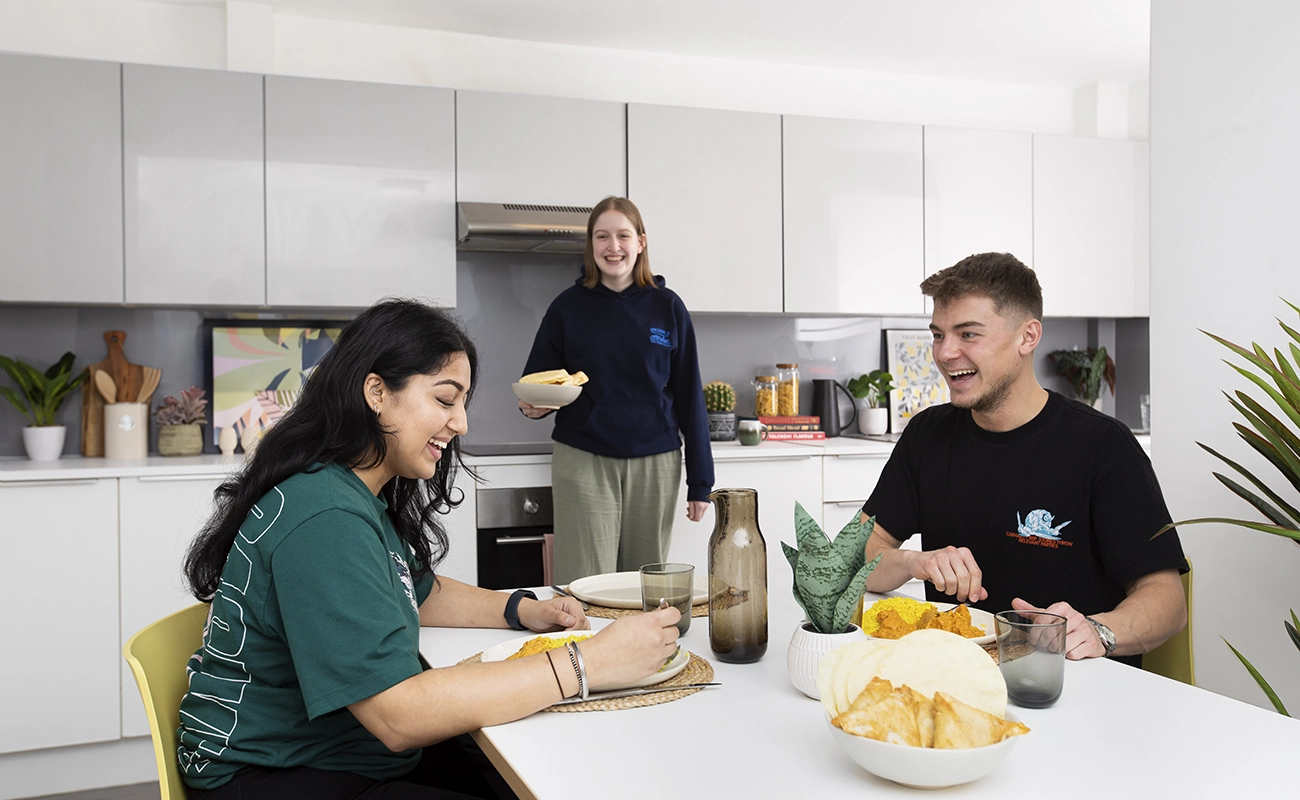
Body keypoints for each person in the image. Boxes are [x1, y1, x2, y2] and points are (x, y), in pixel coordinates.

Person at [177, 299, 680, 799]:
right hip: (270, 775)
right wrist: (588, 664)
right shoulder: (325, 517)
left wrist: (523, 609)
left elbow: (416, 589)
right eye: (444, 400)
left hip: (336, 752)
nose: (460, 423)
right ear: (376, 392)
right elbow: (399, 714)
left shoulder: (346, 490)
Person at [861, 253, 1187, 666]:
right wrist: (913, 561)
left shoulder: (1104, 446)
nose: (945, 353)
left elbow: (1168, 602)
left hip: (1070, 686)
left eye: (967, 334)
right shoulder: (928, 435)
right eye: (939, 334)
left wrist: (1098, 630)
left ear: (1028, 337)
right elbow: (857, 557)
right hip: (960, 677)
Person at [519, 196, 714, 582]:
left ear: (641, 241)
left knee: (644, 584)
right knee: (584, 583)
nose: (613, 247)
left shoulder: (669, 307)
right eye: (602, 236)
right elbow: (538, 382)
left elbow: (691, 396)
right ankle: (586, 644)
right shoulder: (567, 308)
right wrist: (536, 405)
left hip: (655, 462)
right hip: (583, 458)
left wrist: (700, 483)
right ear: (591, 245)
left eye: (623, 235)